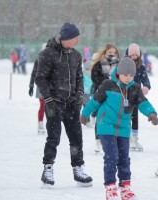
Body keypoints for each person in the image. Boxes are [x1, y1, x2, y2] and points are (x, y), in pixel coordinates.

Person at [80, 57, 158, 200]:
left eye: (131, 75)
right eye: (125, 75)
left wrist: (152, 113)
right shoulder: (108, 85)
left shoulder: (134, 88)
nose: (128, 78)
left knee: (124, 158)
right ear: (119, 73)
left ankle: (125, 187)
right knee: (111, 156)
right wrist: (85, 114)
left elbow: (143, 103)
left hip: (123, 128)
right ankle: (110, 187)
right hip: (106, 126)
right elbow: (95, 101)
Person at [34, 22, 93, 188]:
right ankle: (48, 169)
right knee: (54, 137)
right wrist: (48, 99)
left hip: (72, 104)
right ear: (66, 38)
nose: (77, 41)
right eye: (75, 38)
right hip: (54, 103)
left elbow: (80, 78)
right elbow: (40, 78)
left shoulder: (75, 55)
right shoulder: (48, 53)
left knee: (76, 138)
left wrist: (79, 95)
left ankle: (78, 169)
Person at [91, 44, 121, 153]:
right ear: (105, 53)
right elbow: (94, 78)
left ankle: (113, 140)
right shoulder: (99, 64)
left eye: (114, 52)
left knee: (113, 117)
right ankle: (98, 141)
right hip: (101, 93)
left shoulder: (119, 65)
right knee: (100, 117)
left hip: (115, 95)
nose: (112, 54)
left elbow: (123, 78)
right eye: (110, 52)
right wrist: (107, 80)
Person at [125, 43, 151, 151]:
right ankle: (127, 138)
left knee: (135, 117)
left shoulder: (141, 67)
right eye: (131, 55)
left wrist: (146, 86)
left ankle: (134, 138)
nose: (134, 57)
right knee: (127, 117)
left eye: (136, 55)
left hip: (136, 95)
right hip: (126, 95)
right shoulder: (124, 66)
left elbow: (145, 79)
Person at [29, 43, 47, 135]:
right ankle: (40, 123)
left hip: (51, 87)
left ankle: (50, 125)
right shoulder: (39, 60)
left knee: (51, 107)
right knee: (43, 105)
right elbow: (33, 73)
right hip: (41, 86)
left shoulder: (54, 60)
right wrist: (31, 86)